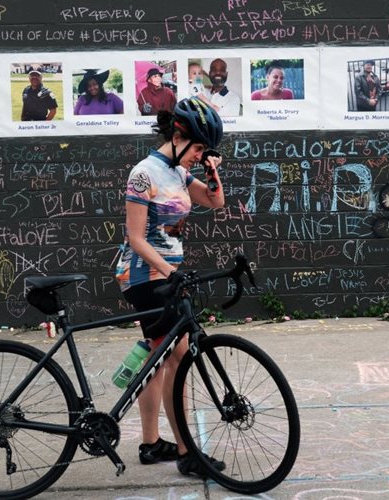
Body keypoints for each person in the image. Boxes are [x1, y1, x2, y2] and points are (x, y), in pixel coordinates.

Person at [115, 97, 226, 476]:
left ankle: (151, 444)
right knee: (178, 356)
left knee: (157, 358)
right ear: (177, 137)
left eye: (204, 151)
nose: (199, 155)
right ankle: (186, 452)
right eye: (197, 148)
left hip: (165, 276)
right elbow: (135, 239)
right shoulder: (143, 174)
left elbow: (215, 201)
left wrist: (211, 170)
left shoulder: (179, 173)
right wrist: (168, 271)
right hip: (144, 276)